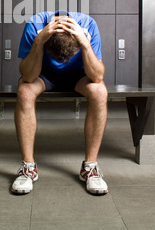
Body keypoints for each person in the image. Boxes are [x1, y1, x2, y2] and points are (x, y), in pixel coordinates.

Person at [11, 10, 108, 196]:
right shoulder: (34, 25)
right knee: (24, 91)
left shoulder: (88, 25)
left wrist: (85, 44)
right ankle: (28, 166)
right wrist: (39, 41)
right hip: (43, 73)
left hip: (78, 74)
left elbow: (97, 76)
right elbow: (28, 75)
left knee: (100, 91)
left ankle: (90, 167)